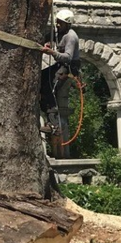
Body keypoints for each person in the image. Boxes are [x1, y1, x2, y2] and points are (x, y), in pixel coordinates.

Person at [40, 9, 81, 155]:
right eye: (57, 22)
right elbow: (50, 38)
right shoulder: (59, 32)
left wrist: (53, 53)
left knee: (50, 88)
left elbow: (68, 57)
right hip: (60, 65)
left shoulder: (71, 37)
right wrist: (48, 43)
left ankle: (55, 126)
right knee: (41, 79)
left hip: (69, 67)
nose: (57, 25)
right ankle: (49, 119)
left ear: (67, 24)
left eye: (61, 23)